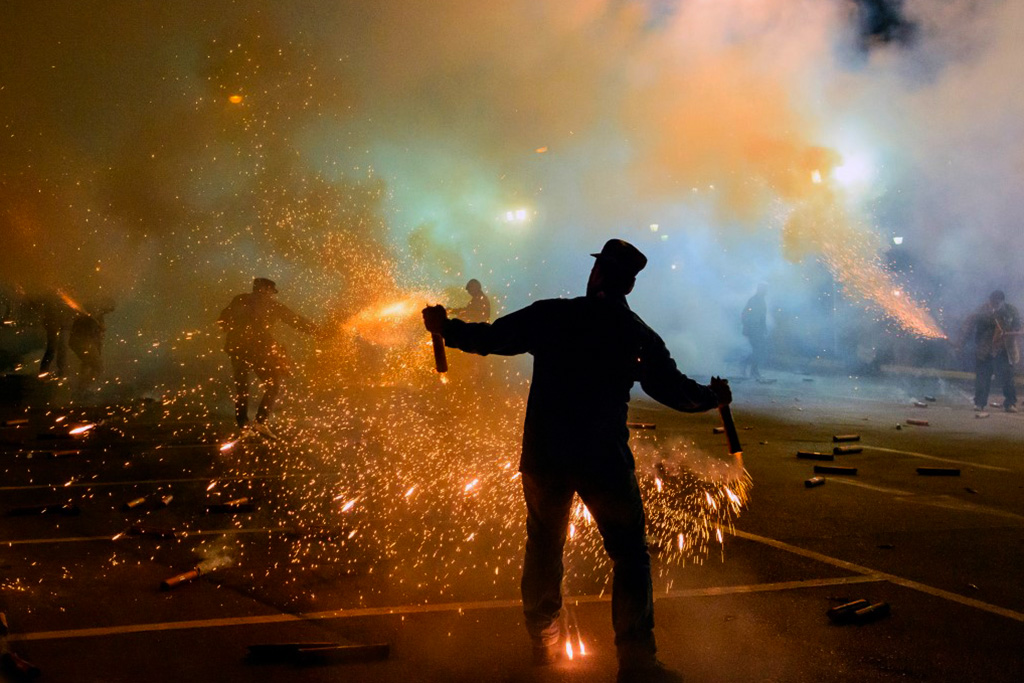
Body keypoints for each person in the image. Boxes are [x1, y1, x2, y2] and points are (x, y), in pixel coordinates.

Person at [423, 239, 732, 683]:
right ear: (629, 282)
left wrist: (445, 327)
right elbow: (676, 392)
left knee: (544, 545)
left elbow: (490, 339)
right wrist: (712, 397)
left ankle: (543, 642)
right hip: (601, 456)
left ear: (598, 274)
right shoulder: (636, 333)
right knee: (629, 555)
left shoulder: (554, 315)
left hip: (546, 454)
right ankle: (637, 662)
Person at [217, 278, 319, 438]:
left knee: (242, 388)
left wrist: (235, 330)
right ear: (265, 289)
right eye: (271, 291)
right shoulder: (272, 305)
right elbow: (295, 320)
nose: (272, 295)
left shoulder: (240, 299)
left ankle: (243, 426)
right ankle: (260, 422)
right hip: (258, 349)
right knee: (273, 385)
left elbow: (223, 319)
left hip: (237, 348)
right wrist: (318, 332)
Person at [959, 290, 1020, 413]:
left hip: (1004, 349)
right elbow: (969, 326)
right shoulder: (982, 311)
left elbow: (1018, 326)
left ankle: (1010, 403)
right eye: (992, 302)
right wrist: (961, 343)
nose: (994, 305)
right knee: (982, 377)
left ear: (1002, 302)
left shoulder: (1011, 311)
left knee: (1007, 378)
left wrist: (1009, 332)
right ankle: (979, 403)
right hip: (985, 349)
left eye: (997, 303)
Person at [67, 298, 115, 395]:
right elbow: (88, 335)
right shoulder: (88, 316)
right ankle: (82, 390)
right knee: (98, 368)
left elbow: (97, 337)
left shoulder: (96, 315)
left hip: (84, 343)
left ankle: (80, 390)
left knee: (87, 364)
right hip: (83, 343)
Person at [741, 284, 768, 379]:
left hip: (758, 330)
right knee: (757, 350)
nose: (766, 292)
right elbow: (744, 314)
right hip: (753, 329)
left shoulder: (762, 301)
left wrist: (764, 328)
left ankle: (752, 369)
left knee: (758, 350)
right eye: (764, 290)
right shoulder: (753, 300)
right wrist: (747, 327)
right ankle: (746, 366)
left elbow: (762, 317)